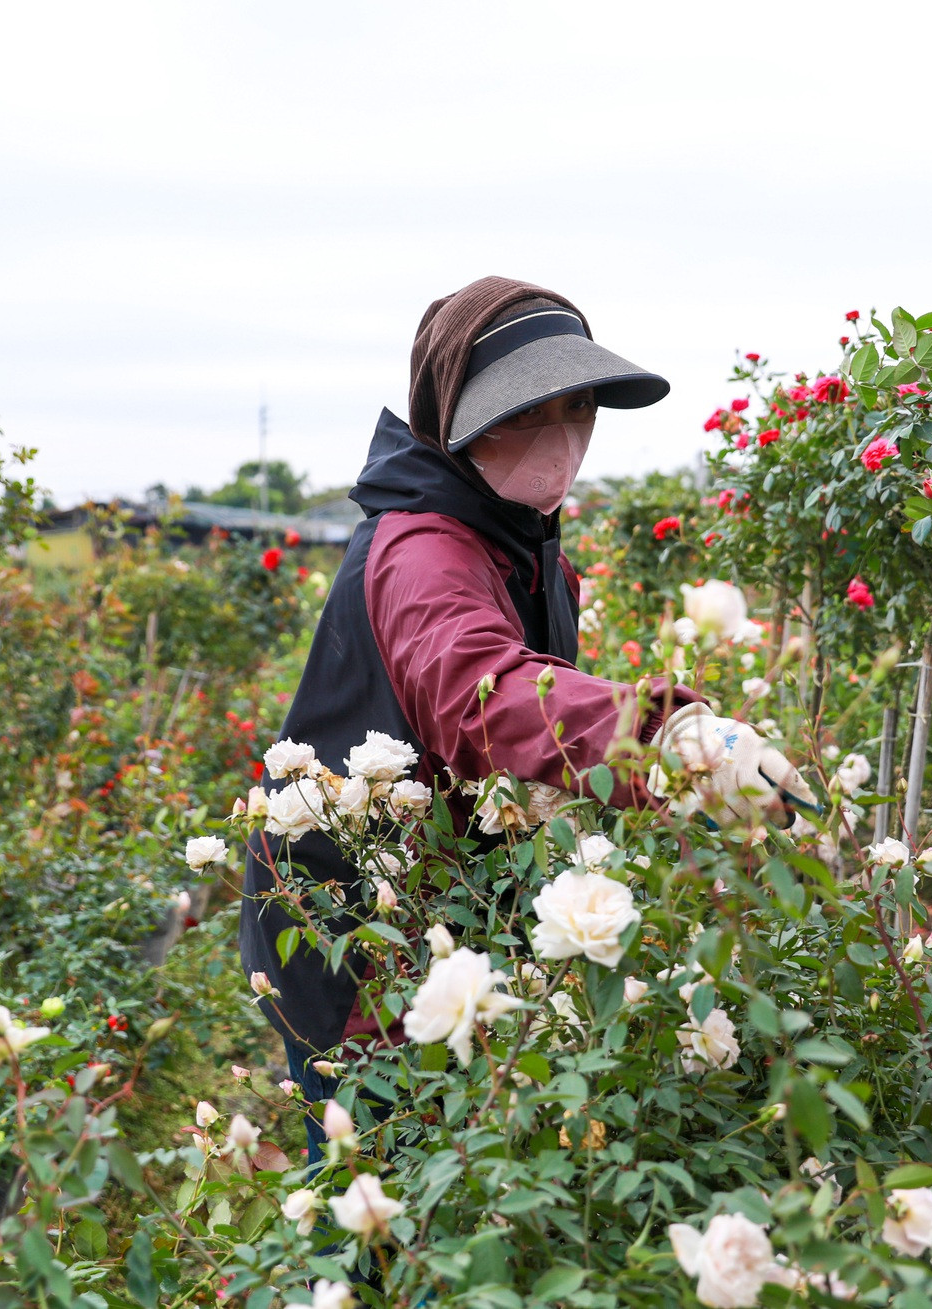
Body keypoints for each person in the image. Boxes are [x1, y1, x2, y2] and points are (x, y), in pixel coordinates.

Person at [239, 276, 811, 1157]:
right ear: (459, 423)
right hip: (350, 928)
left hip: (432, 898)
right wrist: (662, 735)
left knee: (463, 1158)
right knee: (381, 1188)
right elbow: (487, 690)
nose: (564, 432)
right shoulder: (423, 548)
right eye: (531, 409)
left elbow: (520, 720)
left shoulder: (514, 539)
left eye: (579, 404)